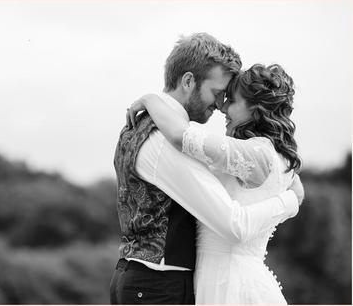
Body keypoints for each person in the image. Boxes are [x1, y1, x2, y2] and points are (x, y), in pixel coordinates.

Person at [110, 33, 304, 305]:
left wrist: (151, 100)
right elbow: (230, 222)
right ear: (189, 81)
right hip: (159, 285)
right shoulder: (164, 138)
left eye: (229, 98)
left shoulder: (143, 128)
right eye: (217, 93)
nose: (221, 105)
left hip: (166, 282)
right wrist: (289, 200)